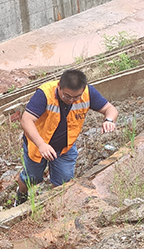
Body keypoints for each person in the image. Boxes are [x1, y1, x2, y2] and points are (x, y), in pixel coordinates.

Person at [16, 69, 118, 202]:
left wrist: (109, 120)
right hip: (38, 144)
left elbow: (110, 109)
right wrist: (42, 145)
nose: (71, 100)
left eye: (76, 97)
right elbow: (26, 120)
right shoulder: (45, 94)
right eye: (67, 96)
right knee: (32, 178)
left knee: (63, 182)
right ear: (59, 86)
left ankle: (54, 205)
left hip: (65, 147)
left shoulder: (88, 93)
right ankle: (21, 194)